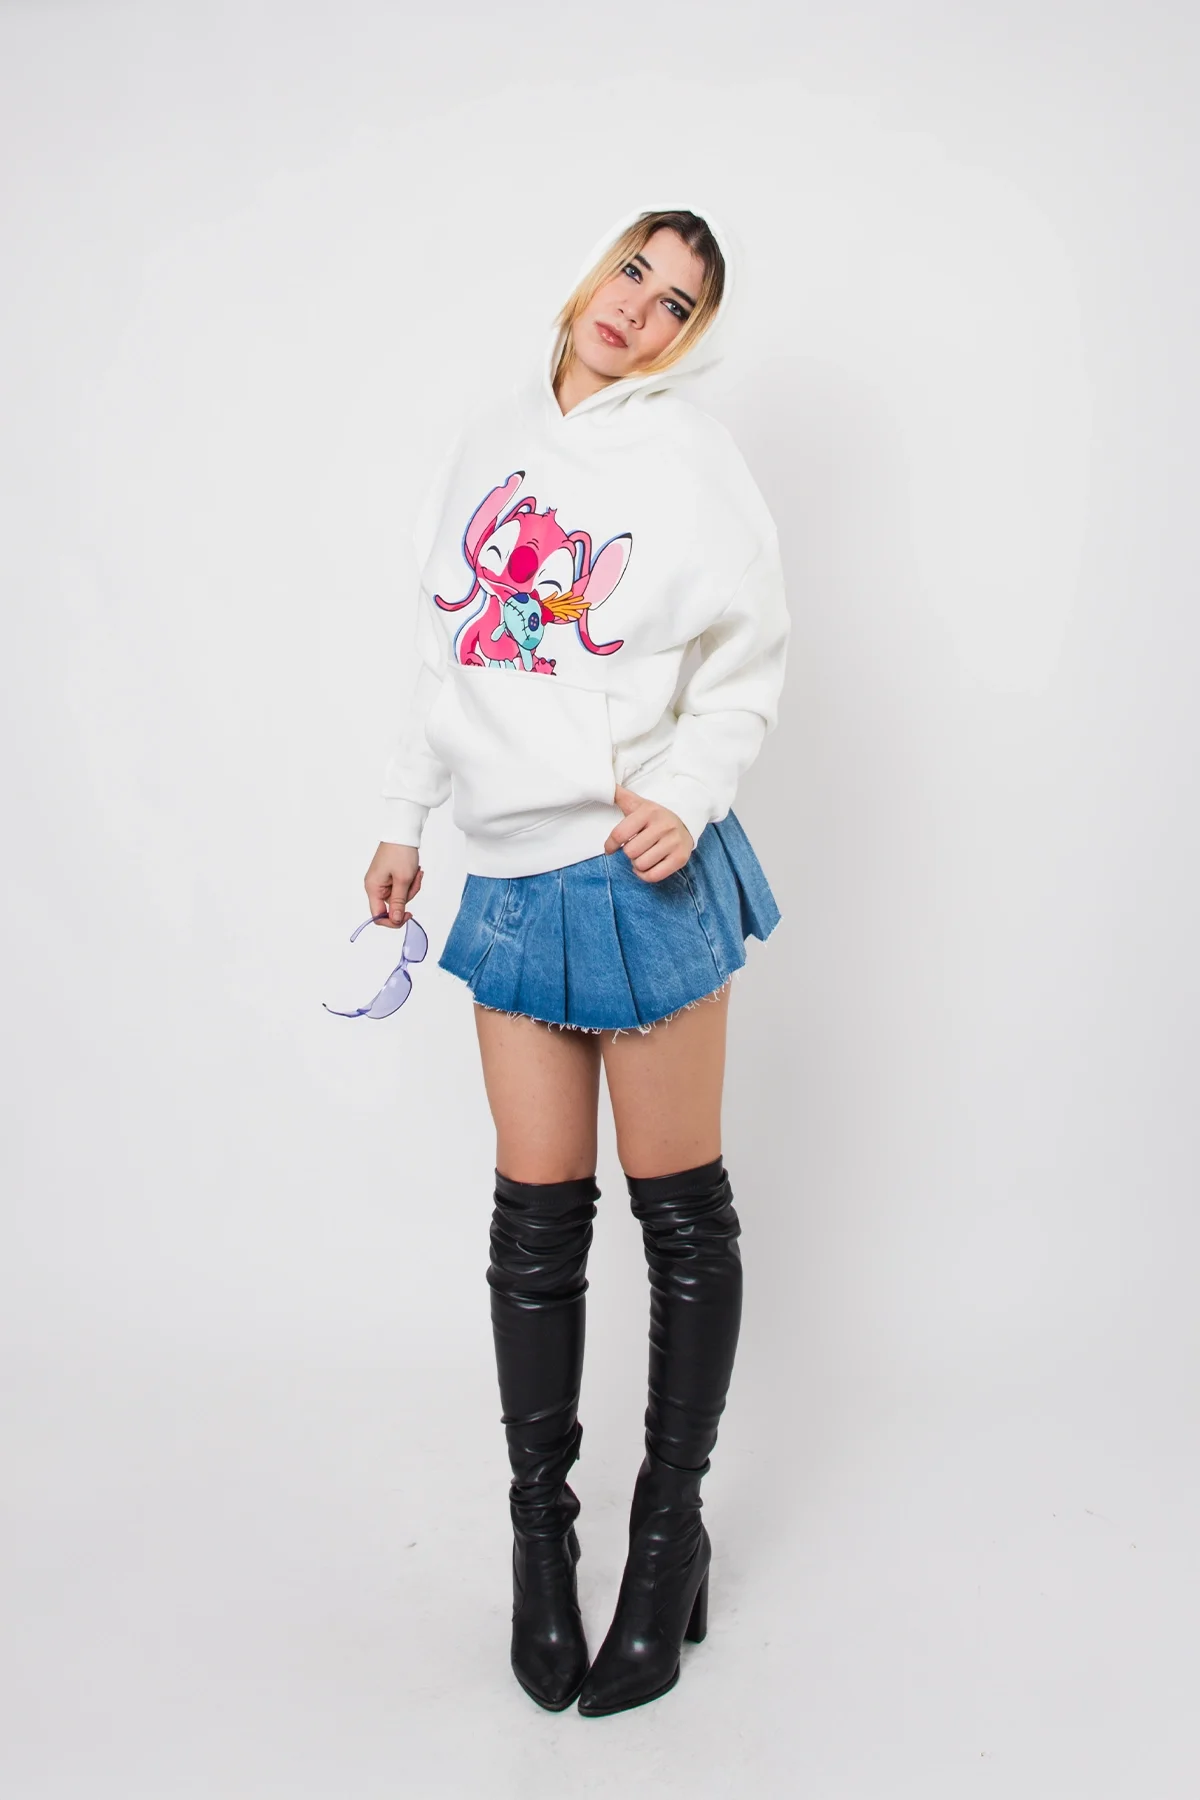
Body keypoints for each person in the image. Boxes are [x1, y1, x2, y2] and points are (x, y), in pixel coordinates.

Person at [364, 203, 790, 1716]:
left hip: (635, 871)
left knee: (680, 1217)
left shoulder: (690, 458)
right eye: (634, 272)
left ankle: (667, 1546)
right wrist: (405, 817)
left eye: (676, 304)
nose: (640, 309)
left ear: (690, 339)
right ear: (595, 271)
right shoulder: (488, 437)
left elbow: (749, 657)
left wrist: (692, 792)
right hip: (508, 875)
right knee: (536, 1227)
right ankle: (540, 1551)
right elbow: (450, 647)